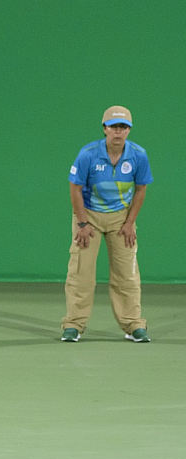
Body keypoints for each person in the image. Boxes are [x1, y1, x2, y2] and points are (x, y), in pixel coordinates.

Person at [61, 105, 153, 342]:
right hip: (88, 216)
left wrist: (130, 222)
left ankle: (133, 325)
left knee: (127, 275)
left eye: (123, 127)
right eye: (113, 127)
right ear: (104, 129)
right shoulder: (88, 154)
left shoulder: (138, 155)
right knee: (81, 273)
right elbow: (75, 188)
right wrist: (82, 224)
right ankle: (73, 325)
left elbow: (141, 189)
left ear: (129, 131)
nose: (118, 132)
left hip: (121, 218)